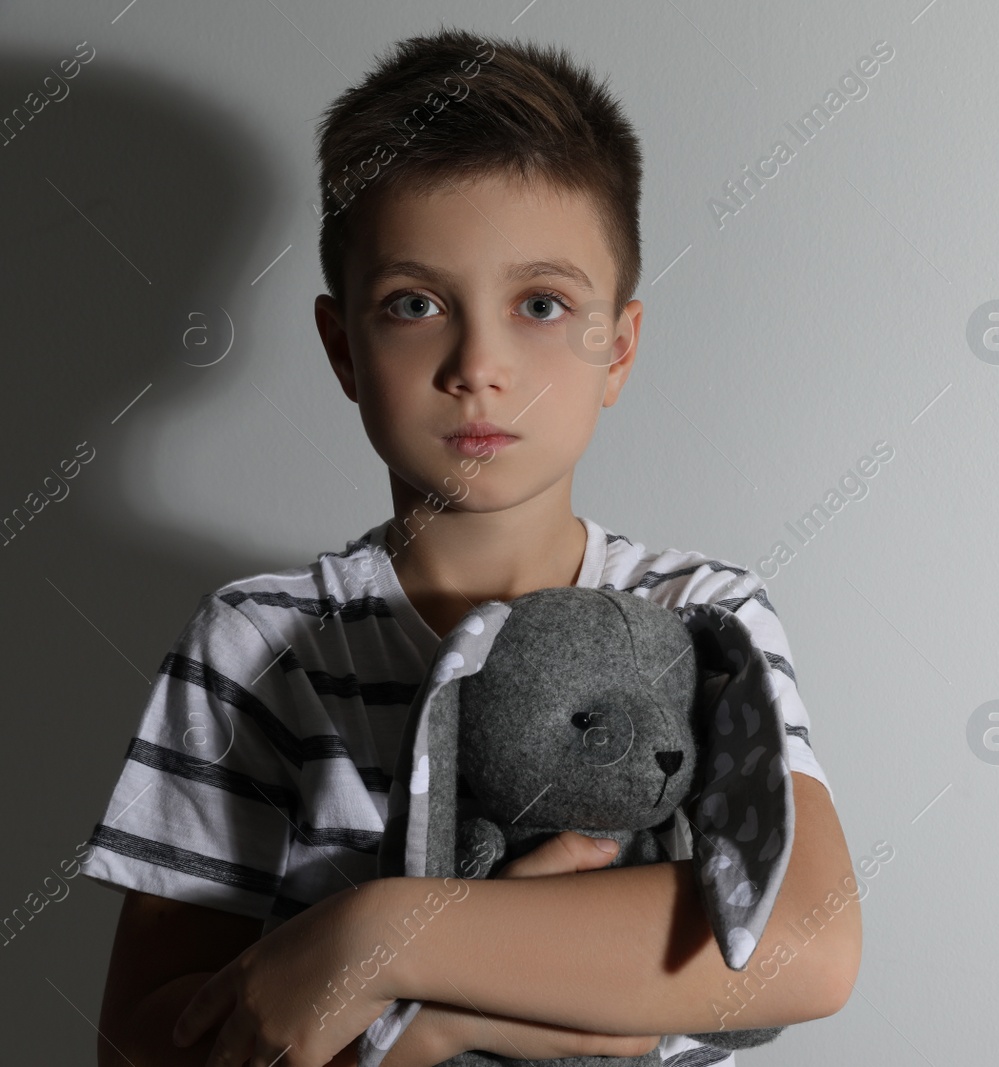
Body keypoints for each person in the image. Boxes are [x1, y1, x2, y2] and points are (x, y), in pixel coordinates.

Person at [81, 26, 860, 1067]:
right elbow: (144, 1046)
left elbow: (806, 947)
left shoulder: (702, 613)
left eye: (541, 304)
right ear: (343, 347)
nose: (479, 364)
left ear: (617, 347)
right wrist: (435, 1024)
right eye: (416, 304)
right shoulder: (257, 644)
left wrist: (370, 939)